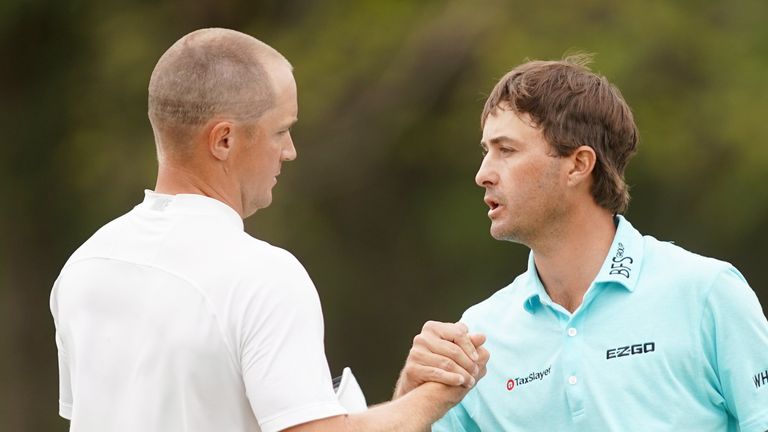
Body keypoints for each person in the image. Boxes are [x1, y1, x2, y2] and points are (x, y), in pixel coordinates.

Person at [49, 28, 488, 432]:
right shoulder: (261, 276)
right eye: (281, 131)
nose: (290, 151)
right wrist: (436, 395)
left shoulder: (84, 265)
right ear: (224, 140)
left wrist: (405, 397)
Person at [394, 55, 768, 431]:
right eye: (485, 151)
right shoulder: (476, 337)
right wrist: (411, 394)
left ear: (578, 165)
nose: (482, 174)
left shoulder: (706, 294)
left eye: (506, 150)